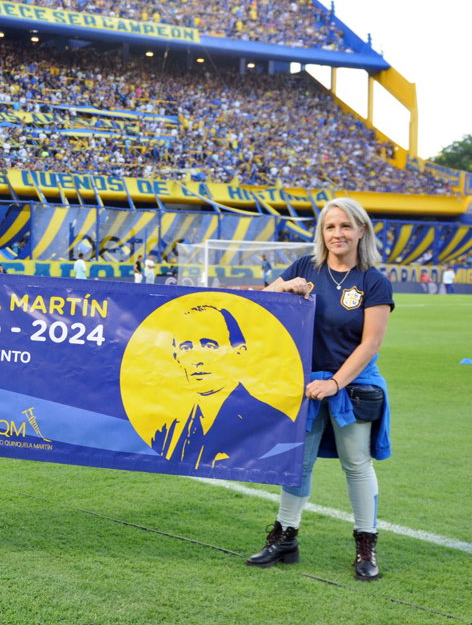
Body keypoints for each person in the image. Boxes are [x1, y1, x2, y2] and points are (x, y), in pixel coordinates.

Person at [247, 197, 393, 582]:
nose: (337, 234)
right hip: (305, 383)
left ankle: (366, 545)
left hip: (353, 386)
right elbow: (261, 307)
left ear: (361, 230)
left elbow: (370, 344)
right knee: (296, 463)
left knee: (356, 464)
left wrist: (334, 382)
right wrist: (284, 287)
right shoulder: (304, 267)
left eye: (345, 226)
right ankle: (285, 539)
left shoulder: (374, 281)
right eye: (330, 227)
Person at [150, 305, 297, 472]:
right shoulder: (167, 426)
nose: (196, 359)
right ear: (176, 357)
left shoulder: (272, 423)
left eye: (209, 346)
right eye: (186, 347)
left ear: (239, 353)